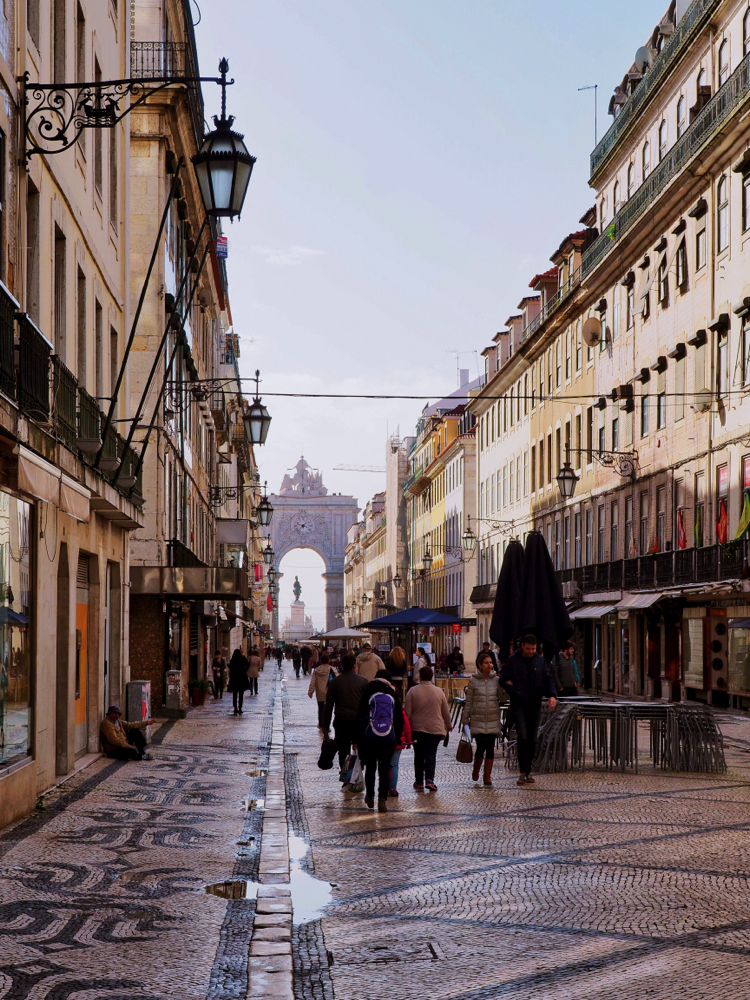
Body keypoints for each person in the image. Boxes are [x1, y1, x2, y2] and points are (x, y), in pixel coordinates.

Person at [499, 634, 557, 786]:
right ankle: (523, 771)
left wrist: (552, 695)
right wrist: (513, 690)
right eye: (528, 649)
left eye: (533, 649)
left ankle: (528, 770)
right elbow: (502, 679)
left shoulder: (540, 660)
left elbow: (548, 678)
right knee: (523, 737)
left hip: (535, 703)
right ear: (522, 646)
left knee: (532, 738)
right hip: (519, 704)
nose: (531, 651)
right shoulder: (513, 660)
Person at [355, 667, 403, 811]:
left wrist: (358, 738)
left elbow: (360, 717)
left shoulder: (368, 691)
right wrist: (397, 736)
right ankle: (382, 799)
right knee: (385, 767)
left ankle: (370, 795)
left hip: (369, 737)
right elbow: (399, 718)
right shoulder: (393, 693)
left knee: (370, 768)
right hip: (388, 738)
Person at [404, 665, 452, 792]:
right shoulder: (439, 691)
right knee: (431, 754)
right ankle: (430, 780)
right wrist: (448, 725)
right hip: (434, 729)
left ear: (420, 676)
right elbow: (445, 711)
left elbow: (407, 712)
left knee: (418, 754)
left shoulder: (412, 691)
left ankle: (418, 781)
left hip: (417, 728)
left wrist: (405, 728)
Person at [462, 652, 506, 786]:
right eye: (486, 663)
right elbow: (468, 701)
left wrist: (506, 689)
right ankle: (476, 770)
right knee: (480, 747)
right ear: (480, 665)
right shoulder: (473, 680)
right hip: (478, 718)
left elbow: (502, 698)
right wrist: (465, 719)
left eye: (491, 662)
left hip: (492, 718)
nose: (490, 665)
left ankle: (487, 776)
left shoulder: (496, 680)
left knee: (491, 748)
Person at [322, 652, 368, 778]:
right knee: (359, 748)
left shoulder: (335, 683)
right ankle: (359, 774)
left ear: (342, 666)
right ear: (354, 666)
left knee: (343, 750)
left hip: (341, 721)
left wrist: (325, 725)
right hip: (358, 722)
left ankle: (346, 775)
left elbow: (329, 705)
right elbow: (367, 704)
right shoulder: (363, 681)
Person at [388, 697, 412, 798]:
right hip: (398, 740)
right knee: (394, 764)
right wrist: (408, 740)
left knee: (384, 764)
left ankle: (384, 787)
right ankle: (393, 788)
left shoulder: (380, 708)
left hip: (383, 740)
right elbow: (406, 726)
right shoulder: (400, 711)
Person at [309, 652, 332, 730]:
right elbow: (337, 680)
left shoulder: (316, 670)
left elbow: (313, 682)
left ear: (321, 661)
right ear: (328, 661)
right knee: (329, 710)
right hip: (330, 693)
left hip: (320, 693)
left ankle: (321, 724)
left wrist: (310, 691)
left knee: (321, 708)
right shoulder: (332, 669)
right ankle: (327, 726)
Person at [227, 647, 250, 715]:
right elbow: (248, 664)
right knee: (241, 695)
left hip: (234, 679)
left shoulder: (232, 661)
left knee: (234, 694)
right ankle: (240, 708)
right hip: (242, 679)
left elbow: (230, 667)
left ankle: (235, 708)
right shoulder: (242, 660)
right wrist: (243, 656)